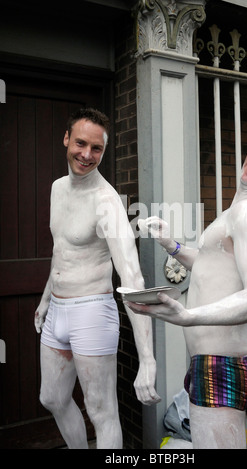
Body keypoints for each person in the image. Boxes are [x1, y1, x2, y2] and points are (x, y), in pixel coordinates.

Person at [127, 126, 247, 449]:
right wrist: (172, 246)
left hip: (222, 364)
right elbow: (212, 265)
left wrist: (188, 316)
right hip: (213, 360)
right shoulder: (238, 208)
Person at [34, 108, 160, 449]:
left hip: (91, 311)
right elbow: (63, 250)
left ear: (104, 151)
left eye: (96, 149)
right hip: (57, 310)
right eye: (80, 143)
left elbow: (132, 275)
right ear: (66, 139)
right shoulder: (58, 189)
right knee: (52, 398)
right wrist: (46, 299)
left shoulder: (107, 203)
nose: (86, 155)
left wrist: (147, 358)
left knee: (101, 412)